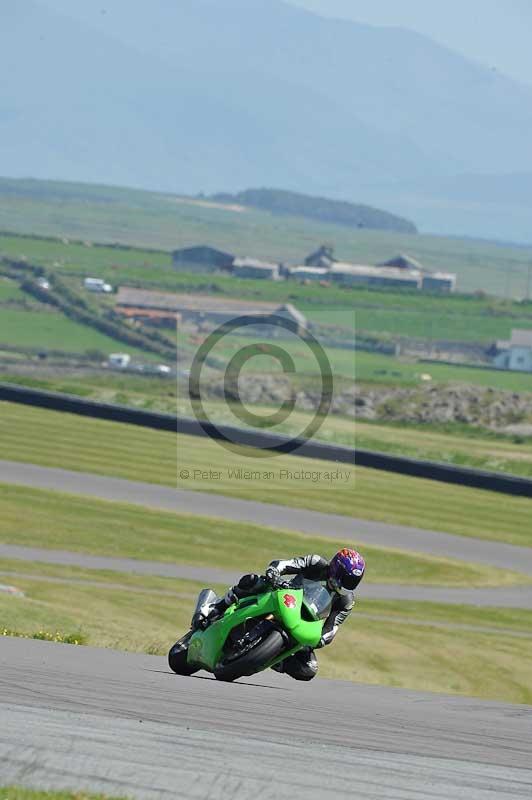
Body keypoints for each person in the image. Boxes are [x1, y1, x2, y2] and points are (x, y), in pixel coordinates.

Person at [194, 548, 365, 682]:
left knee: (308, 669)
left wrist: (320, 640)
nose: (346, 584)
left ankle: (273, 658)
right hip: (283, 595)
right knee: (254, 581)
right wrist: (274, 573)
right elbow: (285, 564)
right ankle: (216, 606)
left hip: (304, 620)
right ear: (335, 567)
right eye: (345, 578)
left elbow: (332, 627)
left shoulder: (347, 601)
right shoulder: (316, 563)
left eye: (352, 582)